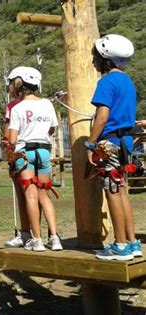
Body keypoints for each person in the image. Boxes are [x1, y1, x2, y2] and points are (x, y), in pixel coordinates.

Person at [85, 34, 142, 261]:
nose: (93, 62)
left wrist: (91, 143)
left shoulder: (106, 82)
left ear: (105, 59)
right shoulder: (128, 81)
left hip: (110, 142)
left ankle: (119, 245)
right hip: (126, 142)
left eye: (95, 57)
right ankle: (131, 241)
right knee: (122, 191)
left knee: (113, 192)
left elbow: (103, 115)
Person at [8, 66, 62, 252]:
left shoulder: (17, 108)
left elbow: (13, 139)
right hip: (44, 152)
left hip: (25, 154)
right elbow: (53, 128)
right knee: (44, 195)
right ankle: (54, 238)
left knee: (30, 196)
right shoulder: (47, 104)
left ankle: (37, 239)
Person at [2, 67, 30, 247]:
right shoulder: (41, 103)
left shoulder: (13, 106)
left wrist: (6, 144)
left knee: (23, 195)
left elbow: (8, 132)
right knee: (39, 193)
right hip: (39, 152)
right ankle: (48, 234)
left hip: (17, 152)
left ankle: (27, 232)